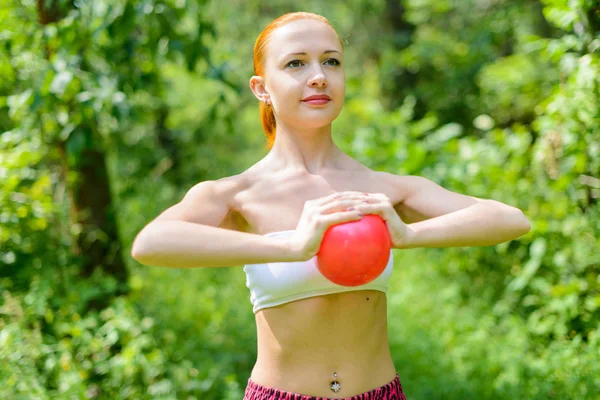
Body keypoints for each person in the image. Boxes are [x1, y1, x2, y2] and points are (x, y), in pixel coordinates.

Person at [131, 11, 531, 400]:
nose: (318, 75)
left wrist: (409, 235)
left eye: (331, 61)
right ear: (261, 87)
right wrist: (290, 247)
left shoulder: (382, 189)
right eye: (296, 63)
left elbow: (510, 219)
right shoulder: (238, 193)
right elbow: (151, 243)